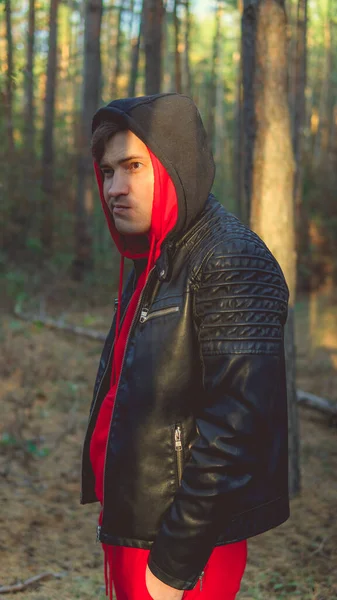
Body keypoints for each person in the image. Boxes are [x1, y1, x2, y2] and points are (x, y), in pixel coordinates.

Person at [80, 93, 290, 600]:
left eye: (133, 166)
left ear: (174, 167)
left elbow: (239, 429)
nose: (115, 187)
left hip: (183, 547)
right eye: (107, 172)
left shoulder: (228, 257)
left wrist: (175, 564)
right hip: (137, 525)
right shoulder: (152, 256)